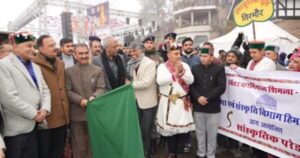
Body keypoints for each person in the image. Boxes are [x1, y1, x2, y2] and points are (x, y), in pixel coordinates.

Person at [0, 32, 51, 158]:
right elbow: (9, 98)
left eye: (33, 46)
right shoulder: (4, 65)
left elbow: (45, 90)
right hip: (16, 130)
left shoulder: (35, 66)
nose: (33, 50)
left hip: (34, 127)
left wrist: (45, 109)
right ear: (15, 46)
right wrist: (34, 114)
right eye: (28, 46)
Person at [65, 43, 106, 158]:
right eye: (80, 54)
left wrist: (93, 97)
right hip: (76, 114)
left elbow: (101, 88)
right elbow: (67, 90)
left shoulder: (97, 70)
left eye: (86, 53)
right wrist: (80, 100)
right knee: (78, 145)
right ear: (75, 55)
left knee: (94, 143)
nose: (84, 56)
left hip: (94, 114)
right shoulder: (69, 71)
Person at [33, 35, 70, 158]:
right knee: (45, 153)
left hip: (62, 116)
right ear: (41, 48)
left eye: (55, 44)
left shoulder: (60, 63)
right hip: (45, 120)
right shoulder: (33, 65)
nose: (55, 48)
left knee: (59, 151)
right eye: (51, 45)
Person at [156, 43, 195, 158]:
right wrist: (175, 74)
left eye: (179, 53)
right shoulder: (162, 67)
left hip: (182, 102)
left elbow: (191, 80)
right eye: (176, 53)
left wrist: (182, 72)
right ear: (168, 55)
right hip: (169, 102)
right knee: (170, 131)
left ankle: (179, 152)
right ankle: (172, 151)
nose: (179, 56)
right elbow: (160, 81)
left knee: (182, 130)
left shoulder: (185, 66)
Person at [190, 47, 226, 158]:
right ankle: (201, 153)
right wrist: (198, 97)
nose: (202, 58)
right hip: (198, 106)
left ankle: (211, 154)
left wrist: (206, 97)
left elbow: (221, 87)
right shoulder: (195, 68)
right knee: (199, 132)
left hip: (213, 107)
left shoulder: (219, 69)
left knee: (212, 133)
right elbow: (192, 86)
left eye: (205, 56)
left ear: (211, 56)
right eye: (201, 56)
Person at [126, 42, 157, 158]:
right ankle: (138, 150)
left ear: (141, 51)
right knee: (137, 128)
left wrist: (129, 85)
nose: (133, 54)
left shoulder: (150, 63)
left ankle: (146, 151)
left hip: (148, 102)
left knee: (146, 129)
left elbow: (146, 83)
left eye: (135, 51)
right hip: (135, 100)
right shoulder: (130, 64)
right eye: (131, 51)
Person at [180, 37, 200, 153]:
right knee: (185, 118)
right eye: (186, 45)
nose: (188, 46)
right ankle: (186, 142)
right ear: (182, 46)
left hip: (196, 93)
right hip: (183, 94)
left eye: (190, 44)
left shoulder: (198, 58)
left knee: (197, 118)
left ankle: (200, 142)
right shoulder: (178, 58)